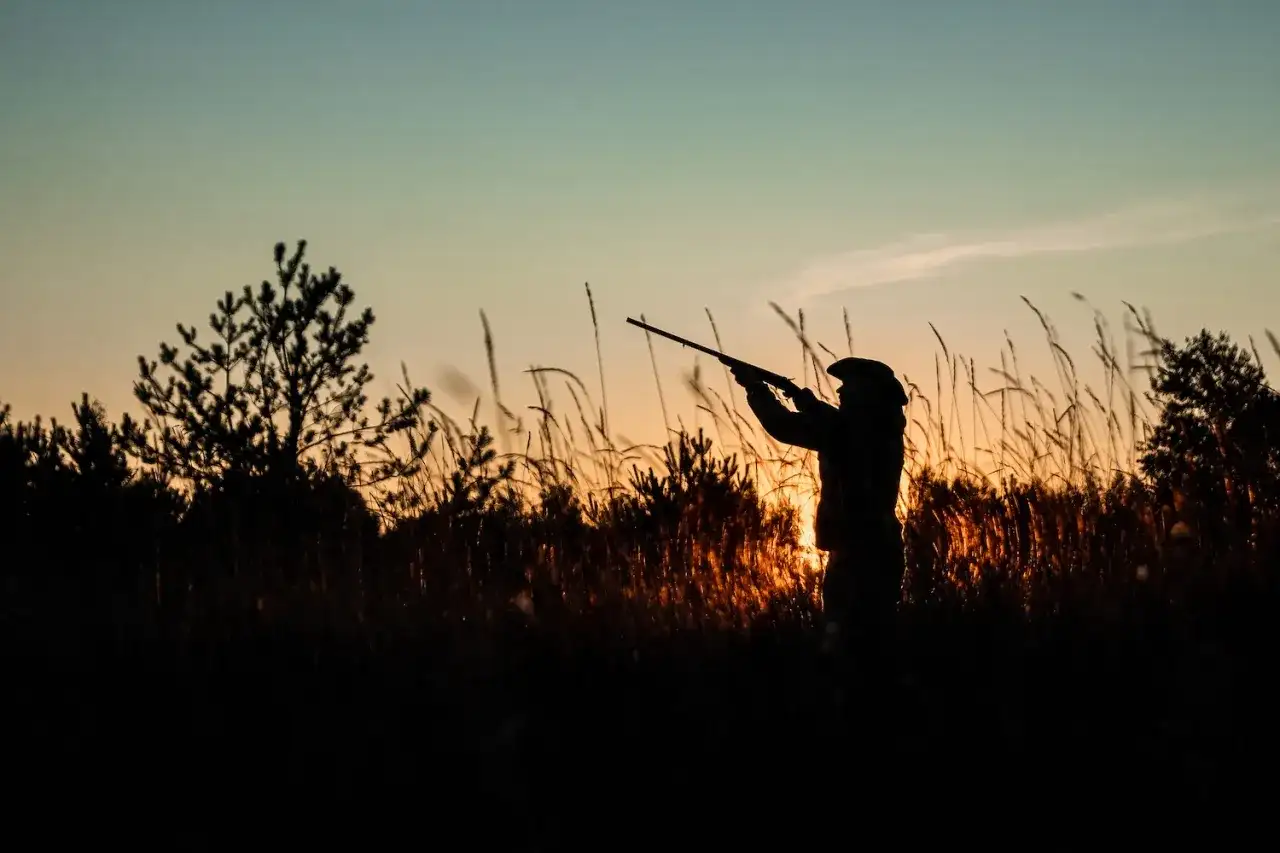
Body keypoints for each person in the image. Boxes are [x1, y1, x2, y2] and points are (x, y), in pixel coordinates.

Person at [730, 356, 909, 693]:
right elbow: (837, 423)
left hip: (859, 553)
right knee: (872, 649)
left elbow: (781, 426)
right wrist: (808, 402)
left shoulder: (853, 429)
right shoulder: (877, 425)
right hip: (872, 547)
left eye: (850, 386)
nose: (841, 391)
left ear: (868, 392)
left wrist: (756, 388)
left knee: (852, 652)